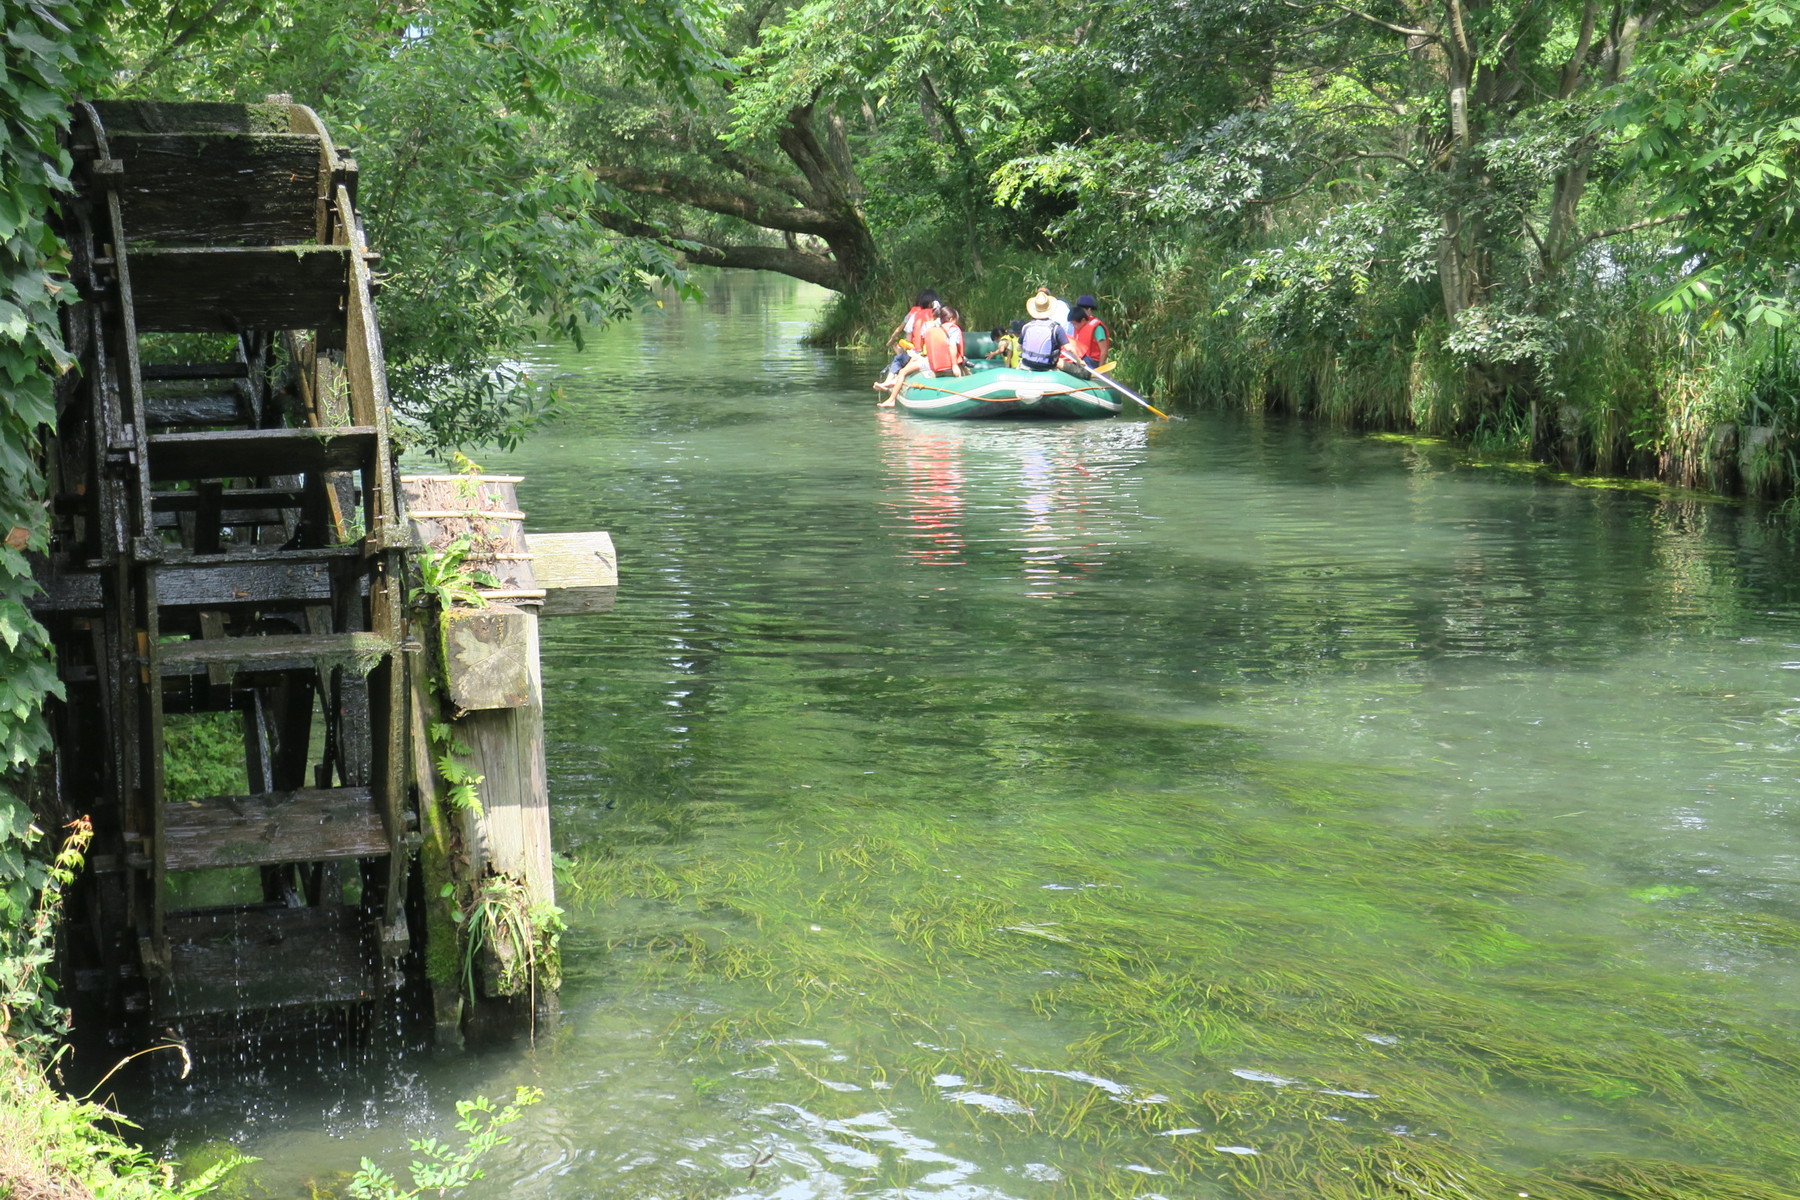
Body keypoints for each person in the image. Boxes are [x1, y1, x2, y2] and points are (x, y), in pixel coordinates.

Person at [878, 307, 946, 405]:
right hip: (931, 358)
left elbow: (918, 343)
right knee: (910, 359)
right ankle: (891, 384)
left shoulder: (925, 324)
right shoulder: (950, 329)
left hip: (929, 360)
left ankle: (891, 396)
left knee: (903, 370)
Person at [877, 290, 940, 388]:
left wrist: (900, 351)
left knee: (898, 359)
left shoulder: (915, 315)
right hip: (937, 356)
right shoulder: (941, 316)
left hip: (918, 355)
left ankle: (888, 381)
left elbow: (908, 339)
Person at [1019, 289, 1070, 371]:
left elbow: (1019, 347)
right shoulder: (1056, 328)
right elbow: (1068, 348)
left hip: (1026, 364)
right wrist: (1079, 361)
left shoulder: (1026, 327)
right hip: (1047, 366)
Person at [1064, 295, 1111, 370]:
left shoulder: (1097, 328)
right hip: (1082, 358)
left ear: (1089, 310)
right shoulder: (1079, 324)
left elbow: (1104, 350)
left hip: (1092, 361)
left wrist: (1100, 369)